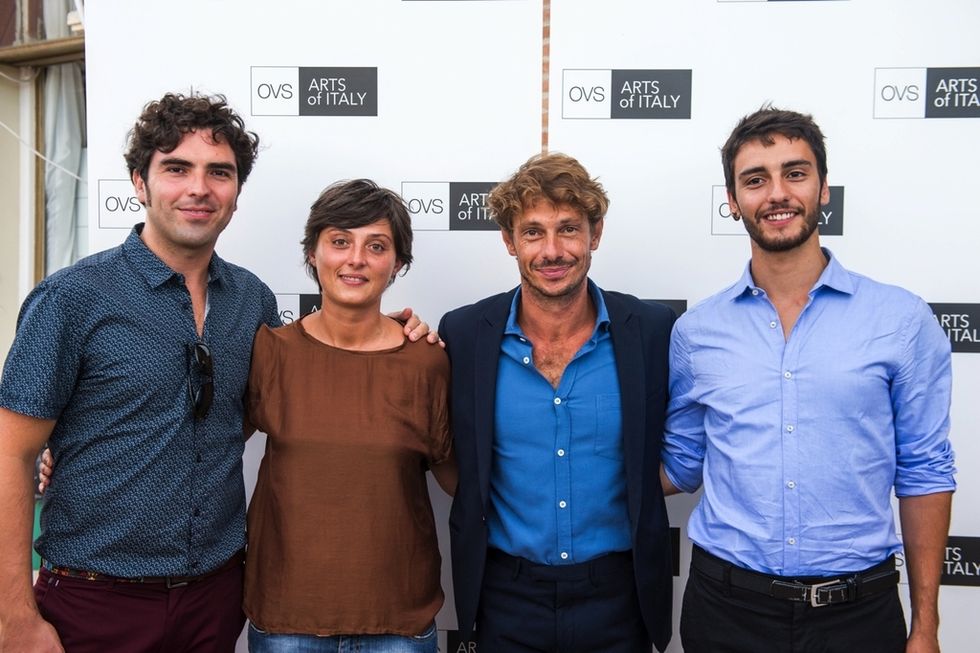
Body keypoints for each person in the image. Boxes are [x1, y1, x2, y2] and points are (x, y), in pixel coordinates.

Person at [0, 93, 430, 653]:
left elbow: (285, 386)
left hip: (218, 600)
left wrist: (402, 334)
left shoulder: (250, 299)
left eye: (218, 172)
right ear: (139, 183)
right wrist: (14, 617)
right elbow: (11, 451)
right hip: (94, 601)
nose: (199, 188)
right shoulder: (72, 298)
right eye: (176, 168)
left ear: (234, 194)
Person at [661, 107, 956, 653]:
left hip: (859, 617)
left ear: (823, 188)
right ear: (732, 200)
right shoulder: (697, 332)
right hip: (726, 612)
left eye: (794, 173)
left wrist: (926, 626)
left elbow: (925, 472)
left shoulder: (901, 320)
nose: (777, 193)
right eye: (755, 180)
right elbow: (681, 464)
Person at [439, 152, 675, 652]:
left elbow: (685, 450)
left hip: (619, 596)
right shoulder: (463, 335)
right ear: (509, 241)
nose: (552, 251)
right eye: (533, 232)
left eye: (569, 229)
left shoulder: (651, 332)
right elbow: (448, 457)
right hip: (505, 598)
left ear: (596, 234)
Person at [243, 179, 456, 653]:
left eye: (375, 246)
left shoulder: (427, 361)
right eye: (340, 241)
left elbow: (460, 478)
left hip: (398, 622)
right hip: (287, 619)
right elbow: (201, 450)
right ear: (313, 254)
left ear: (397, 263)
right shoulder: (269, 351)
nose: (355, 259)